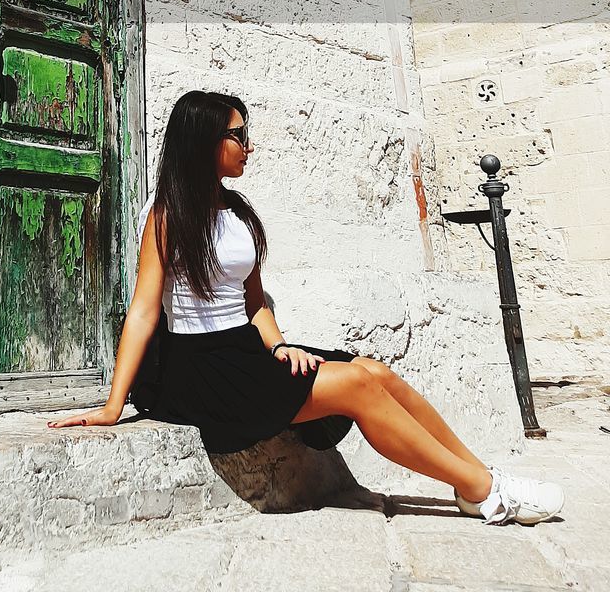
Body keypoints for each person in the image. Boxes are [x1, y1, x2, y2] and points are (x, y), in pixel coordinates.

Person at [48, 90, 565, 526]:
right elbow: (143, 312)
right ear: (207, 143)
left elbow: (254, 304)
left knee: (373, 371)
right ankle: (486, 491)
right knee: (359, 386)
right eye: (239, 134)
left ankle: (476, 479)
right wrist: (114, 406)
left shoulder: (239, 214)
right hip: (200, 368)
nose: (250, 145)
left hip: (245, 350)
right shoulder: (165, 216)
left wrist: (279, 345)